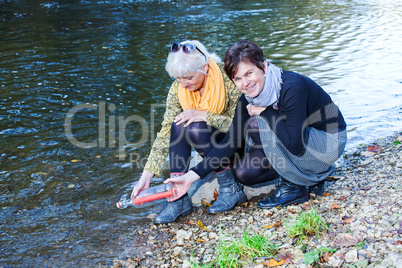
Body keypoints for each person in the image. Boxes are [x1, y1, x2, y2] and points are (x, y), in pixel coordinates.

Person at [165, 40, 347, 209]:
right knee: (244, 174)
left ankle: (295, 186)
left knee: (258, 122)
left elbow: (295, 145)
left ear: (264, 66)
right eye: (237, 79)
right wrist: (190, 177)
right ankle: (310, 175)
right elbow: (231, 142)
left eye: (249, 73)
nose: (245, 84)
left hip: (328, 142)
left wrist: (266, 112)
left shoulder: (291, 87)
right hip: (299, 142)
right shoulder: (249, 98)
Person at [131, 40, 246, 224]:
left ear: (205, 68)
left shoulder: (229, 79)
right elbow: (166, 130)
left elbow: (240, 127)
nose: (183, 84)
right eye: (178, 78)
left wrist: (204, 115)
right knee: (178, 124)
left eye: (188, 78)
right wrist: (146, 175)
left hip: (235, 147)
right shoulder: (178, 89)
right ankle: (179, 198)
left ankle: (230, 188)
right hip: (210, 150)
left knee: (196, 127)